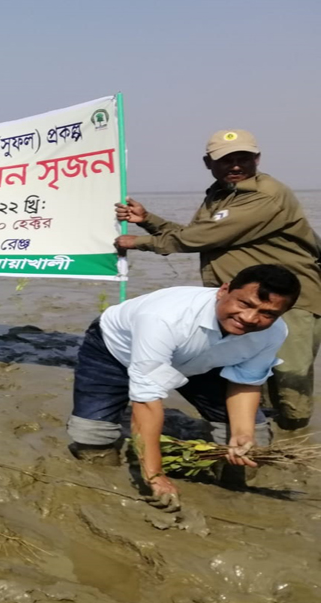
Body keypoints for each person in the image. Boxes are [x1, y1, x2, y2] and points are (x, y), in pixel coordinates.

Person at [115, 129, 321, 431]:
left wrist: (138, 242)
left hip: (288, 302)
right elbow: (200, 234)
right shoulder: (219, 194)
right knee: (248, 370)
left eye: (244, 158)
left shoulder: (266, 195)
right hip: (243, 303)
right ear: (208, 162)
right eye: (227, 160)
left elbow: (198, 238)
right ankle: (259, 435)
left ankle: (295, 439)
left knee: (291, 378)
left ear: (257, 158)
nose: (236, 166)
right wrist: (148, 220)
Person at [67, 264, 299, 511]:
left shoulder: (272, 333)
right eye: (245, 304)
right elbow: (146, 402)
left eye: (268, 313)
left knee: (255, 441)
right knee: (92, 438)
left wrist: (242, 434)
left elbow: (245, 381)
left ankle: (229, 493)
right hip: (115, 352)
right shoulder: (164, 318)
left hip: (204, 360)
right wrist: (154, 476)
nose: (250, 318)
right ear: (224, 290)